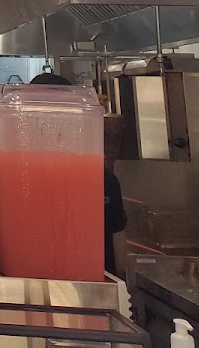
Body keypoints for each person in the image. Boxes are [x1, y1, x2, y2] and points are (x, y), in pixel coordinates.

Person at [30, 72, 127, 277]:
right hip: (88, 285)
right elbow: (120, 257)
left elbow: (118, 251)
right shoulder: (101, 175)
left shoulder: (102, 178)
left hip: (91, 286)